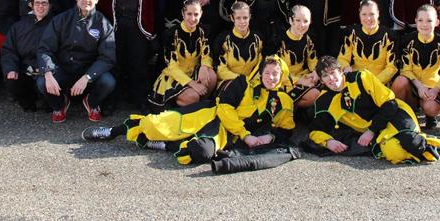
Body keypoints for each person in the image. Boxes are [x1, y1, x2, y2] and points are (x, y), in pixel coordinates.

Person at [83, 55, 302, 173]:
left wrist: (270, 136)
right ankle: (112, 131)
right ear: (260, 73)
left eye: (275, 74)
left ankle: (161, 145)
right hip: (211, 116)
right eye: (267, 73)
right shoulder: (242, 84)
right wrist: (246, 135)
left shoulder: (284, 101)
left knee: (201, 152)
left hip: (227, 135)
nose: (270, 77)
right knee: (158, 124)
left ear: (282, 75)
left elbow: (286, 130)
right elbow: (225, 109)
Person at [303, 56, 440, 163]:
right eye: (325, 76)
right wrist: (328, 142)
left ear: (340, 71)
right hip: (377, 132)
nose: (331, 79)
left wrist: (371, 131)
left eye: (333, 73)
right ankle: (431, 145)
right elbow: (315, 131)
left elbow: (390, 104)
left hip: (395, 114)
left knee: (410, 142)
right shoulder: (324, 101)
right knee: (393, 152)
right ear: (321, 81)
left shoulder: (361, 77)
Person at [37, 0, 116, 123]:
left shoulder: (103, 24)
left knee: (108, 82)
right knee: (42, 82)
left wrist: (87, 77)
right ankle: (60, 105)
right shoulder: (60, 20)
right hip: (63, 68)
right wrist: (48, 73)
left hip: (88, 71)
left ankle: (91, 102)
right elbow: (44, 49)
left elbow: (107, 57)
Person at [391, 4, 440, 130]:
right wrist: (419, 86)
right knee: (399, 81)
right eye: (420, 20)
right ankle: (404, 114)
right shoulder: (407, 40)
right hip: (413, 84)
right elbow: (405, 69)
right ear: (415, 21)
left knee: (431, 108)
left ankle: (430, 115)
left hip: (432, 87)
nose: (424, 24)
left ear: (437, 22)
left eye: (429, 20)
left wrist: (436, 89)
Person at [150, 0, 216, 110]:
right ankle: (183, 106)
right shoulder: (171, 34)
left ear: (201, 14)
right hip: (174, 76)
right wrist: (192, 84)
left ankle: (200, 106)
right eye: (189, 14)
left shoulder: (203, 31)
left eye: (196, 14)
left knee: (212, 75)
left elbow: (207, 54)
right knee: (193, 96)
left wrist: (204, 66)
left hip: (193, 72)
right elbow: (172, 67)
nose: (192, 18)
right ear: (183, 13)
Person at [1, 0, 53, 111]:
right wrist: (11, 69)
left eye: (44, 3)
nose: (40, 6)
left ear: (50, 6)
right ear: (31, 5)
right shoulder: (18, 27)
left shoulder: (56, 25)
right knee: (12, 79)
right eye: (37, 3)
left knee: (47, 93)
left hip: (47, 71)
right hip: (26, 70)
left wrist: (47, 69)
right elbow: (9, 51)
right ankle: (28, 103)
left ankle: (49, 102)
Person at [337, 0, 397, 85]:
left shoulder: (390, 35)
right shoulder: (351, 32)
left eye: (372, 14)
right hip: (356, 79)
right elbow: (342, 58)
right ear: (359, 15)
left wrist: (373, 83)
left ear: (378, 14)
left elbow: (392, 67)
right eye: (364, 14)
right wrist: (346, 67)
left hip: (379, 82)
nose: (368, 18)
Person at [276, 5, 319, 110]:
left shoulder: (308, 38)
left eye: (305, 21)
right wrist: (298, 81)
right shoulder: (278, 40)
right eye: (298, 20)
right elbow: (275, 72)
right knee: (315, 95)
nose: (302, 25)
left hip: (303, 76)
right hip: (284, 81)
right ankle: (284, 108)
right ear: (290, 20)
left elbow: (312, 59)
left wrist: (315, 72)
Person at [212, 2, 263, 87]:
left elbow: (261, 65)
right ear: (232, 18)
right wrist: (242, 80)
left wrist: (251, 81)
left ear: (250, 17)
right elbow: (220, 71)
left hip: (253, 83)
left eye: (245, 18)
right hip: (229, 83)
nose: (242, 22)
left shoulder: (258, 38)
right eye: (238, 18)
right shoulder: (223, 39)